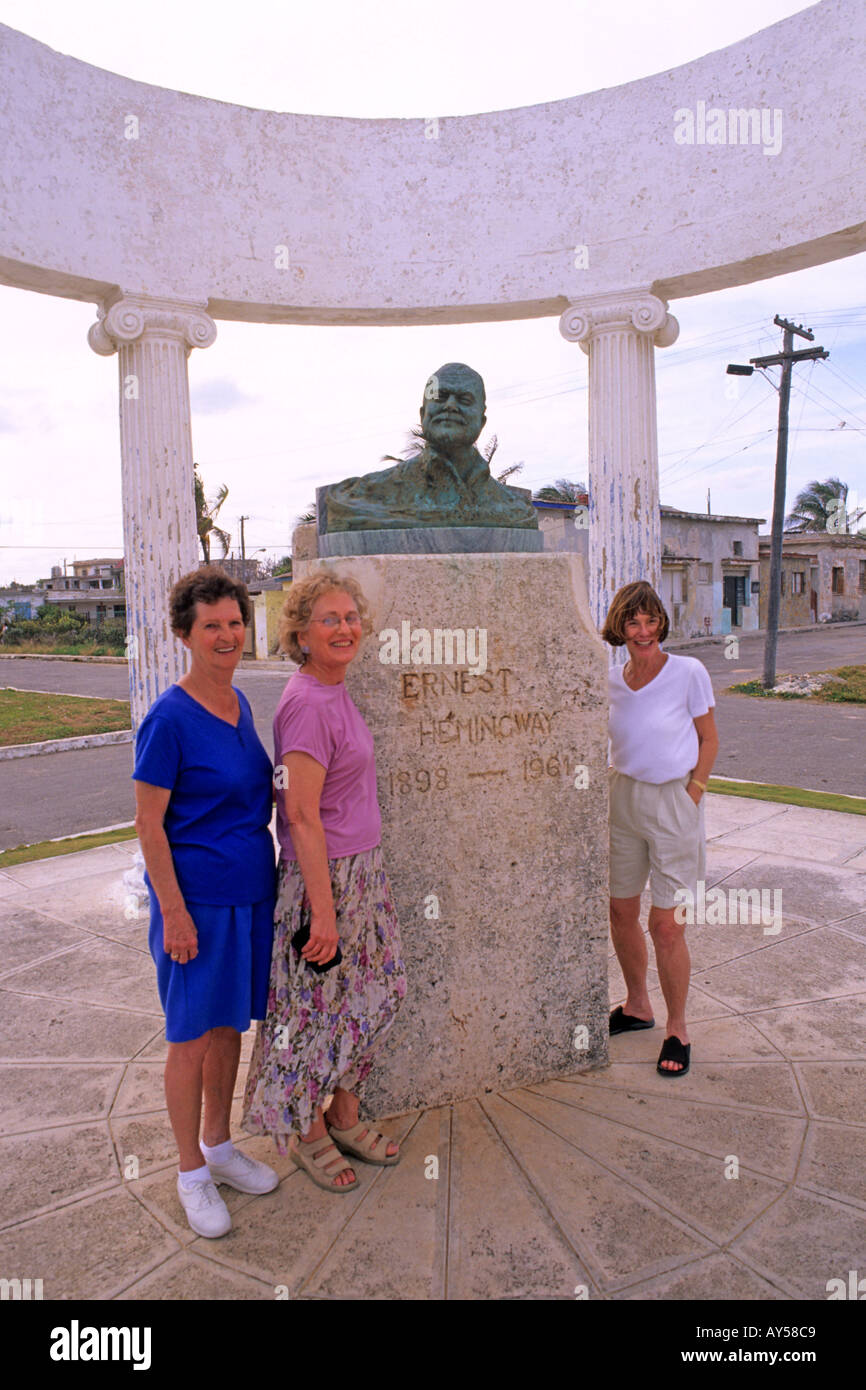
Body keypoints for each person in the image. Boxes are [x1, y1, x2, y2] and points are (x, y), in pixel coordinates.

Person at [242, 569, 407, 1191]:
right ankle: (308, 1131)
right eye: (329, 620)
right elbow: (301, 816)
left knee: (375, 992)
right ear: (301, 634)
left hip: (362, 869)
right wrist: (325, 910)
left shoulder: (334, 689)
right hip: (326, 878)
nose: (345, 628)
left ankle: (343, 1113)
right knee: (312, 1011)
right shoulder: (306, 703)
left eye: (350, 617)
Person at [133, 566, 279, 1237]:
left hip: (249, 893)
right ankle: (190, 1169)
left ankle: (220, 1147)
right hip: (196, 904)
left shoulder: (239, 703)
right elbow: (147, 824)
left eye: (234, 622)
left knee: (229, 1030)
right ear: (186, 634)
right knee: (189, 1038)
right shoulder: (170, 718)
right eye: (212, 625)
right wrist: (174, 911)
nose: (227, 635)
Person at [602, 580, 719, 1077]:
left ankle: (677, 1028)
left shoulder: (689, 672)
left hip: (674, 800)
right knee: (620, 909)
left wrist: (692, 794)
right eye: (633, 621)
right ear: (620, 626)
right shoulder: (611, 679)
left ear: (661, 624)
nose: (643, 630)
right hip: (622, 797)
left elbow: (709, 739)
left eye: (651, 620)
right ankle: (637, 1006)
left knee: (667, 925)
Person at [320, 363, 538, 532]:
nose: (451, 405)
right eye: (440, 397)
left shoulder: (513, 508)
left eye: (464, 399)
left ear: (482, 421)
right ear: (423, 415)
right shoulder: (364, 495)